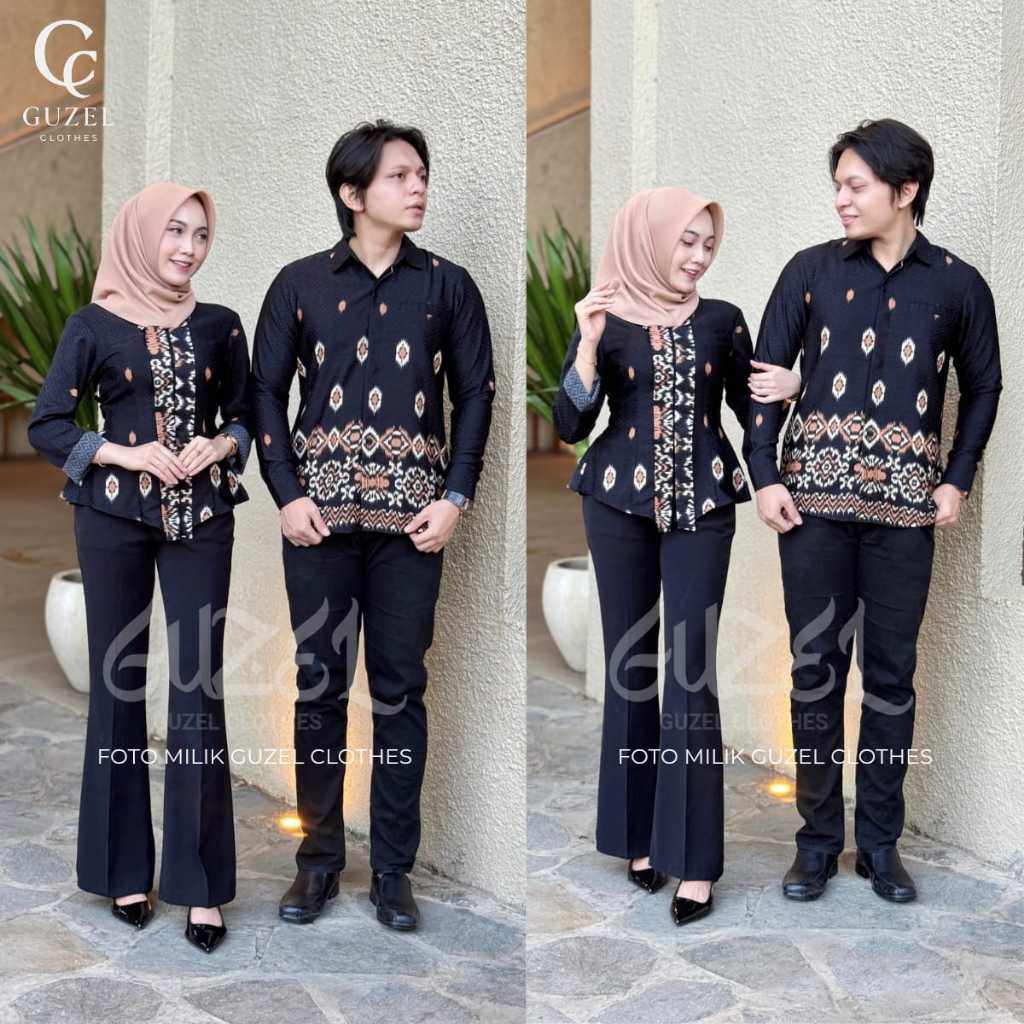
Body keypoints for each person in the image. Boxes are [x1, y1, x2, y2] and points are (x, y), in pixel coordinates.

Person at [744, 118, 1002, 903]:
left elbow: (985, 386)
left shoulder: (957, 285)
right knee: (814, 674)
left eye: (855, 186)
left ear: (906, 189)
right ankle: (818, 843)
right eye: (838, 186)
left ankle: (881, 845)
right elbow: (765, 376)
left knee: (892, 681)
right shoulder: (810, 271)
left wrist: (957, 479)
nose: (841, 200)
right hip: (811, 513)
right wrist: (765, 475)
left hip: (904, 518)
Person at [252, 119, 496, 931]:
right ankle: (318, 862)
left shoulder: (449, 287)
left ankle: (393, 871)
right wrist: (286, 494)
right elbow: (265, 394)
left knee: (400, 693)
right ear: (353, 193)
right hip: (316, 525)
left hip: (412, 528)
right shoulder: (298, 284)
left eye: (421, 173)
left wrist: (455, 498)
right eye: (400, 175)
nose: (418, 186)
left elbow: (478, 394)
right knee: (319, 689)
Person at [551, 187, 800, 925]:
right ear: (648, 239)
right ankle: (636, 835)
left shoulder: (722, 321)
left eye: (707, 244)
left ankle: (693, 860)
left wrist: (795, 390)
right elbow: (569, 424)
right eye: (685, 241)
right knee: (629, 665)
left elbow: (754, 410)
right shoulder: (606, 317)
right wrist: (587, 345)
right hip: (614, 506)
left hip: (705, 508)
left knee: (691, 670)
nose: (697, 257)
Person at [27, 182, 253, 953]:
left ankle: (201, 884)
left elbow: (245, 415)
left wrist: (219, 444)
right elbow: (48, 424)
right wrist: (127, 453)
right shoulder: (92, 325)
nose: (188, 248)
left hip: (203, 522)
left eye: (201, 235)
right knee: (118, 683)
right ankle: (123, 868)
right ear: (140, 235)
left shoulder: (221, 326)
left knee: (198, 690)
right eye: (174, 232)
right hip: (111, 521)